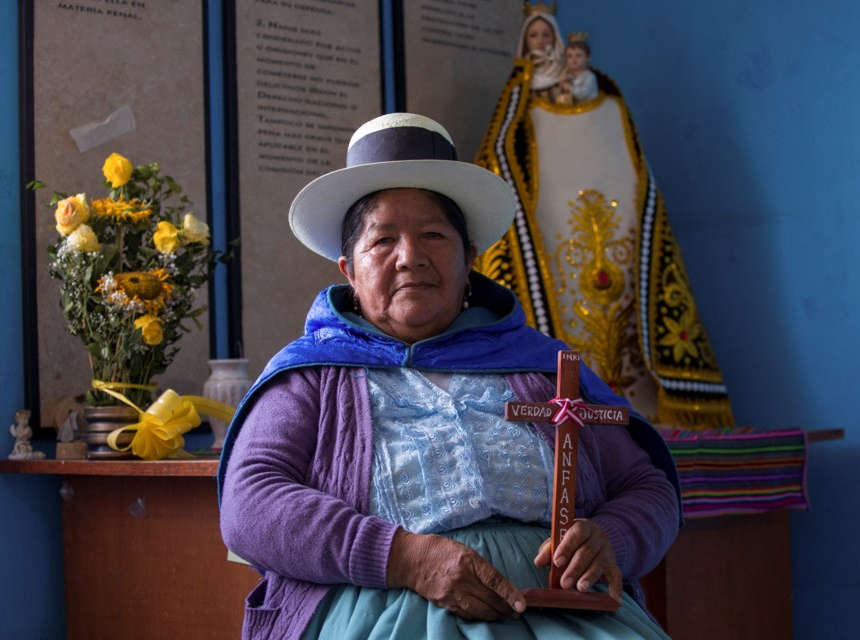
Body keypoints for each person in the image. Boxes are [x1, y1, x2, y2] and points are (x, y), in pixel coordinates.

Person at [218, 112, 681, 639]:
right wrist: (406, 558)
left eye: (434, 234)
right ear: (349, 269)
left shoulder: (544, 369)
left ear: (470, 260)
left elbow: (648, 487)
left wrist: (611, 538)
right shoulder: (311, 376)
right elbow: (250, 504)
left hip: (564, 611)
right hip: (380, 611)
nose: (410, 258)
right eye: (382, 240)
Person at [474, 4, 736, 428]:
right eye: (533, 37)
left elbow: (628, 163)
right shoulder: (516, 105)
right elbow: (500, 164)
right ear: (525, 43)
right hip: (547, 239)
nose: (542, 44)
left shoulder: (605, 98)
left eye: (547, 36)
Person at [559, 33, 599, 104]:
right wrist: (561, 83)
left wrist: (569, 87)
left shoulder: (590, 77)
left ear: (588, 57)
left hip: (589, 110)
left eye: (578, 56)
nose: (574, 60)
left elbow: (582, 94)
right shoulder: (569, 76)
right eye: (569, 56)